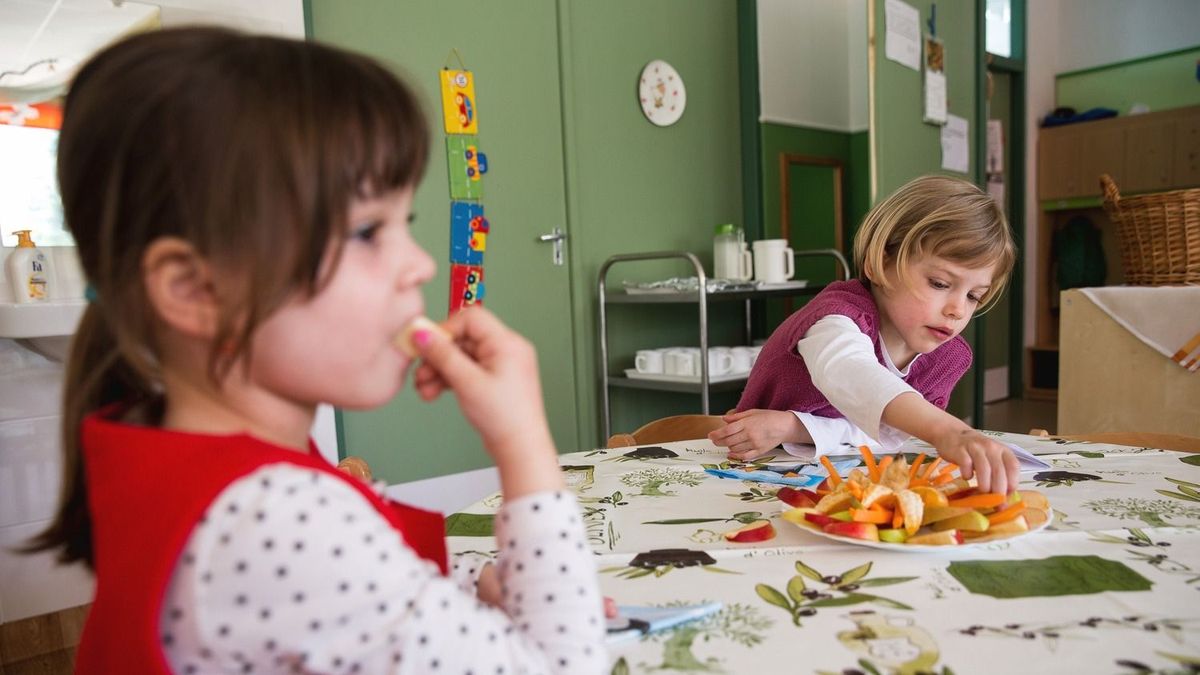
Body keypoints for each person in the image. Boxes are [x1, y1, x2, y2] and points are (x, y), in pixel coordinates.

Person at [26, 27, 605, 674]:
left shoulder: (196, 461)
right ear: (194, 289)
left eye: (404, 223)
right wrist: (523, 435)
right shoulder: (275, 517)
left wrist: (466, 589)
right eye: (366, 230)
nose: (419, 264)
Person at [709, 175, 1020, 494]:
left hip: (844, 478)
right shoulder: (836, 318)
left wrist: (794, 427)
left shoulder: (946, 358)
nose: (957, 310)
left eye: (974, 296)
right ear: (880, 265)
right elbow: (852, 374)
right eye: (940, 284)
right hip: (758, 470)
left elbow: (886, 435)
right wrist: (948, 430)